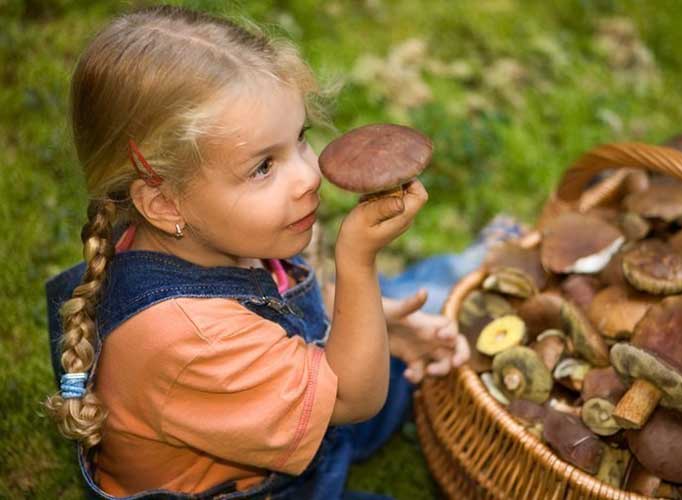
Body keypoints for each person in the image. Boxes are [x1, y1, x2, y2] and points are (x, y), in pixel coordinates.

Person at [43, 5, 470, 499]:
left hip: (291, 391)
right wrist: (358, 263)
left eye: (300, 139)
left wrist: (379, 325)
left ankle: (483, 267)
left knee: (437, 310)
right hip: (274, 481)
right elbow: (354, 399)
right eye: (264, 166)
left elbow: (288, 300)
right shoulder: (188, 341)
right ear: (163, 201)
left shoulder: (220, 233)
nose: (310, 176)